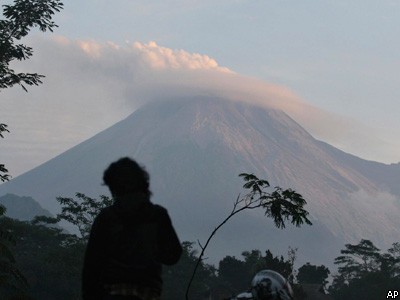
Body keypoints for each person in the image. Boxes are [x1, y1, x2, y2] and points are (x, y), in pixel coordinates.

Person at [82, 157, 182, 300]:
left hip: (112, 293)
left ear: (114, 188)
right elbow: (172, 255)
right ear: (143, 184)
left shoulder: (107, 218)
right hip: (147, 293)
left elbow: (92, 267)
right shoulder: (157, 216)